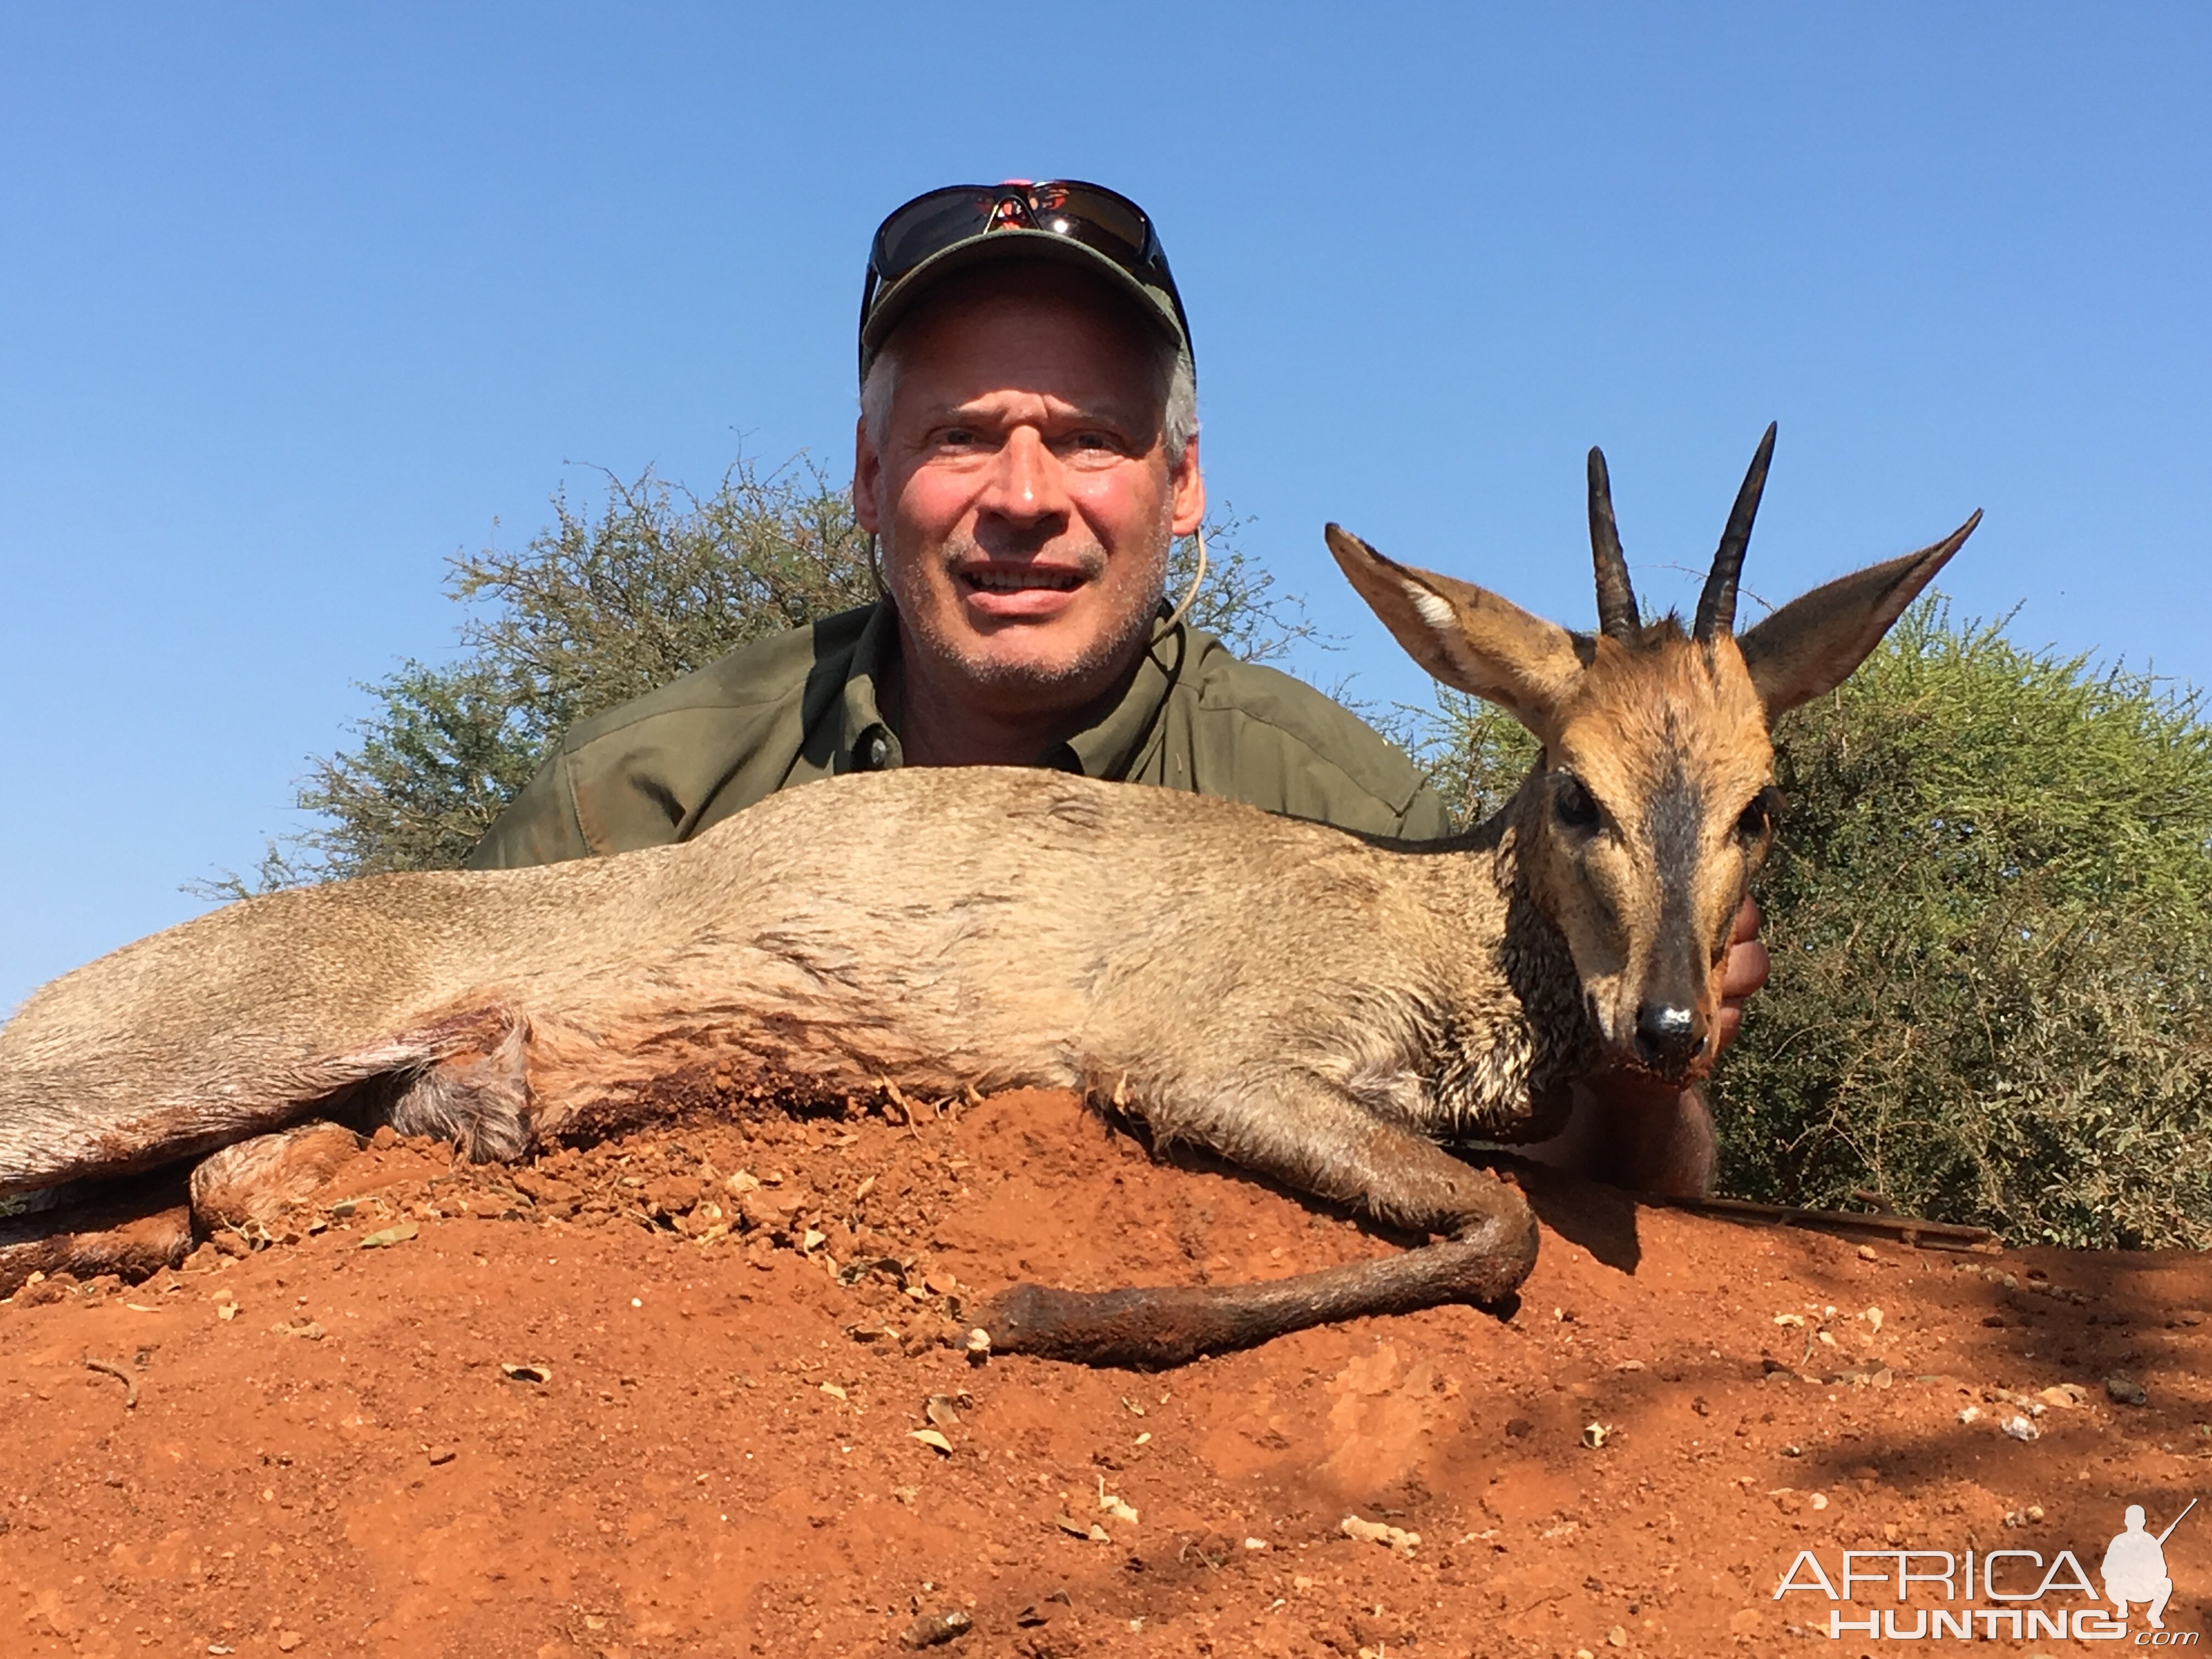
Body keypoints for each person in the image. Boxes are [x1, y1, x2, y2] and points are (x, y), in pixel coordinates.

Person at [467, 179, 1767, 1192]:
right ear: (869, 479)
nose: (1024, 499)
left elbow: (1558, 1151)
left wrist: (1649, 1063)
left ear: (1184, 487)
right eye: (960, 437)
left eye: (1089, 440)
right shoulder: (641, 794)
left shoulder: (1348, 814)